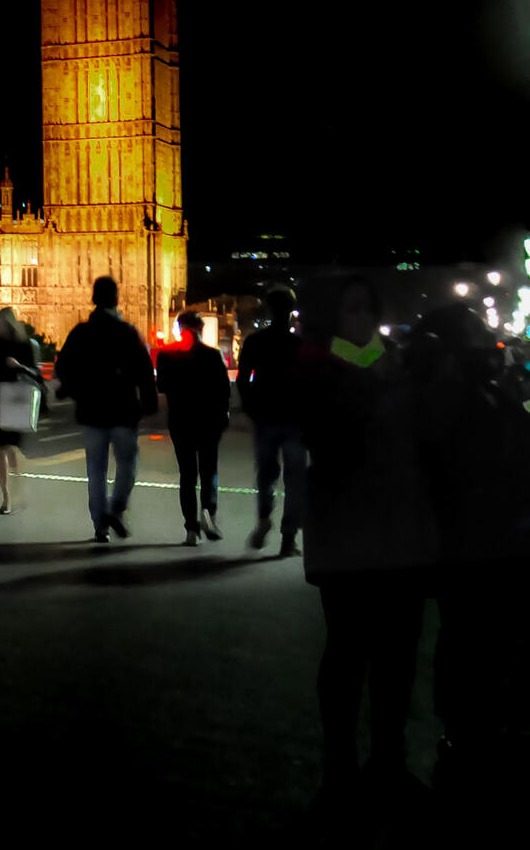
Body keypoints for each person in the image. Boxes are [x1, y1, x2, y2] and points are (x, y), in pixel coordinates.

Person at [296, 276, 436, 818]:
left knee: (397, 658)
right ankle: (340, 772)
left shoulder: (387, 363)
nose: (363, 320)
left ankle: (388, 763)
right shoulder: (319, 368)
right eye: (352, 309)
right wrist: (376, 384)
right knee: (348, 655)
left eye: (368, 308)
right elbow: (329, 438)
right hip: (348, 535)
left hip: (400, 532)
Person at [407, 302, 530, 816]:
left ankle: (486, 728)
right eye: (477, 335)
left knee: (490, 640)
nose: (490, 344)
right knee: (471, 640)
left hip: (498, 545)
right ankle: (466, 735)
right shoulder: (444, 402)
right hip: (473, 547)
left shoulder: (489, 392)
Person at [53, 276, 157, 543]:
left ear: (94, 299)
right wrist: (149, 402)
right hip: (123, 410)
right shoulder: (127, 332)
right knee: (127, 464)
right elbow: (144, 371)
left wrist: (74, 391)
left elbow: (63, 366)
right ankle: (116, 507)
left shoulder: (81, 332)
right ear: (116, 299)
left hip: (92, 411)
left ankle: (100, 524)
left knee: (96, 471)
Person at [239, 286, 306, 556]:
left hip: (265, 416)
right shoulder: (299, 344)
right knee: (295, 479)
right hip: (294, 418)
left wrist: (251, 408)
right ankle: (289, 537)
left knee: (266, 475)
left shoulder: (255, 342)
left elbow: (243, 380)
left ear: (268, 309)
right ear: (291, 310)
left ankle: (264, 518)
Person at [158, 310, 232, 545]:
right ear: (201, 329)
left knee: (187, 475)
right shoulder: (213, 355)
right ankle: (208, 512)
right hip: (209, 420)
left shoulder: (167, 355)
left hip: (181, 420)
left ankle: (191, 529)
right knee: (209, 471)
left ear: (180, 329)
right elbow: (224, 390)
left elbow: (162, 386)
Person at [0, 305, 42, 514]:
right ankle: (6, 496)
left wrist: (18, 365)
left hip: (14, 398)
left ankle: (19, 486)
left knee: (10, 447)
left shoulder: (24, 344)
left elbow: (35, 373)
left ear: (7, 323)